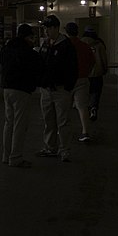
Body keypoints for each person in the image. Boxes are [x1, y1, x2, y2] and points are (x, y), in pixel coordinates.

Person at [1, 24, 44, 168]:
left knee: (9, 123)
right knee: (20, 125)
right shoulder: (28, 52)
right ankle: (16, 157)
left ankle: (6, 156)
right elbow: (36, 70)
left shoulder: (7, 48)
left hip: (7, 89)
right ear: (27, 37)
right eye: (32, 37)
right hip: (22, 90)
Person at [37, 15, 77, 162]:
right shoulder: (46, 44)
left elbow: (73, 68)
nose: (46, 31)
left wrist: (68, 87)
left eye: (48, 28)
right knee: (49, 120)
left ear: (55, 28)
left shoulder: (66, 45)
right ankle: (50, 147)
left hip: (61, 90)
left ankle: (64, 149)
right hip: (46, 89)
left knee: (63, 121)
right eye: (45, 28)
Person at [65, 22, 94, 143]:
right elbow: (92, 61)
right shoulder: (84, 46)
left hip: (66, 80)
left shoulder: (64, 46)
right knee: (82, 107)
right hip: (82, 79)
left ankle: (63, 129)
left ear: (66, 32)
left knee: (64, 107)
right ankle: (85, 132)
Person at [81, 26, 108, 121]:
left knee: (84, 93)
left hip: (84, 73)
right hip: (97, 73)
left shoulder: (81, 43)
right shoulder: (99, 44)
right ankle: (93, 108)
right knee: (95, 92)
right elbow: (104, 59)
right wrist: (105, 69)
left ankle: (83, 110)